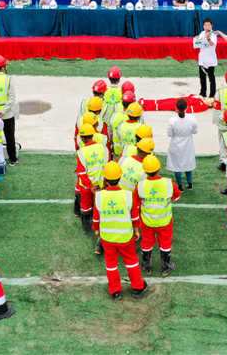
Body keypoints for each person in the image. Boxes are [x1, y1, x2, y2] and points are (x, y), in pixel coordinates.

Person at [92, 162, 147, 301]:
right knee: (131, 262)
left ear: (105, 179)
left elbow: (96, 217)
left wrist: (97, 230)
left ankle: (115, 292)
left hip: (107, 237)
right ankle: (138, 288)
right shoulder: (128, 195)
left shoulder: (99, 196)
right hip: (125, 237)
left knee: (111, 265)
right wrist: (136, 231)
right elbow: (135, 217)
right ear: (120, 177)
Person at [135, 154, 181, 276]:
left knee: (146, 242)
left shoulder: (140, 185)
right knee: (165, 243)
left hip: (147, 222)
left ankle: (146, 266)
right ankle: (166, 267)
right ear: (159, 169)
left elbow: (136, 203)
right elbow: (176, 197)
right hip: (165, 221)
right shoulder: (168, 183)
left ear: (145, 170)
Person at [75, 123, 109, 234]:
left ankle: (85, 225)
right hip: (101, 185)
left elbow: (81, 172)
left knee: (85, 205)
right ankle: (99, 226)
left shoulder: (81, 152)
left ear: (83, 138)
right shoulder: (103, 148)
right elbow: (107, 167)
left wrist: (90, 186)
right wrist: (104, 183)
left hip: (86, 186)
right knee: (99, 206)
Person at [166, 98, 199, 191]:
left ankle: (180, 186)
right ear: (187, 107)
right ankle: (190, 183)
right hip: (188, 144)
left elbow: (169, 134)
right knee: (188, 163)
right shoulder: (192, 118)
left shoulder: (172, 120)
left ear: (176, 107)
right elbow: (195, 131)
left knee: (176, 166)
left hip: (176, 144)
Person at [196, 19, 217, 98]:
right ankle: (203, 92)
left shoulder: (213, 34)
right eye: (205, 25)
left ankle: (212, 94)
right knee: (202, 77)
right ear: (203, 26)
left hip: (210, 60)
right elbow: (199, 43)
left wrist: (208, 39)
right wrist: (197, 39)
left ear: (211, 26)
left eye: (208, 25)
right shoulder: (202, 33)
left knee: (211, 78)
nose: (207, 27)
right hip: (202, 59)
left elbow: (212, 44)